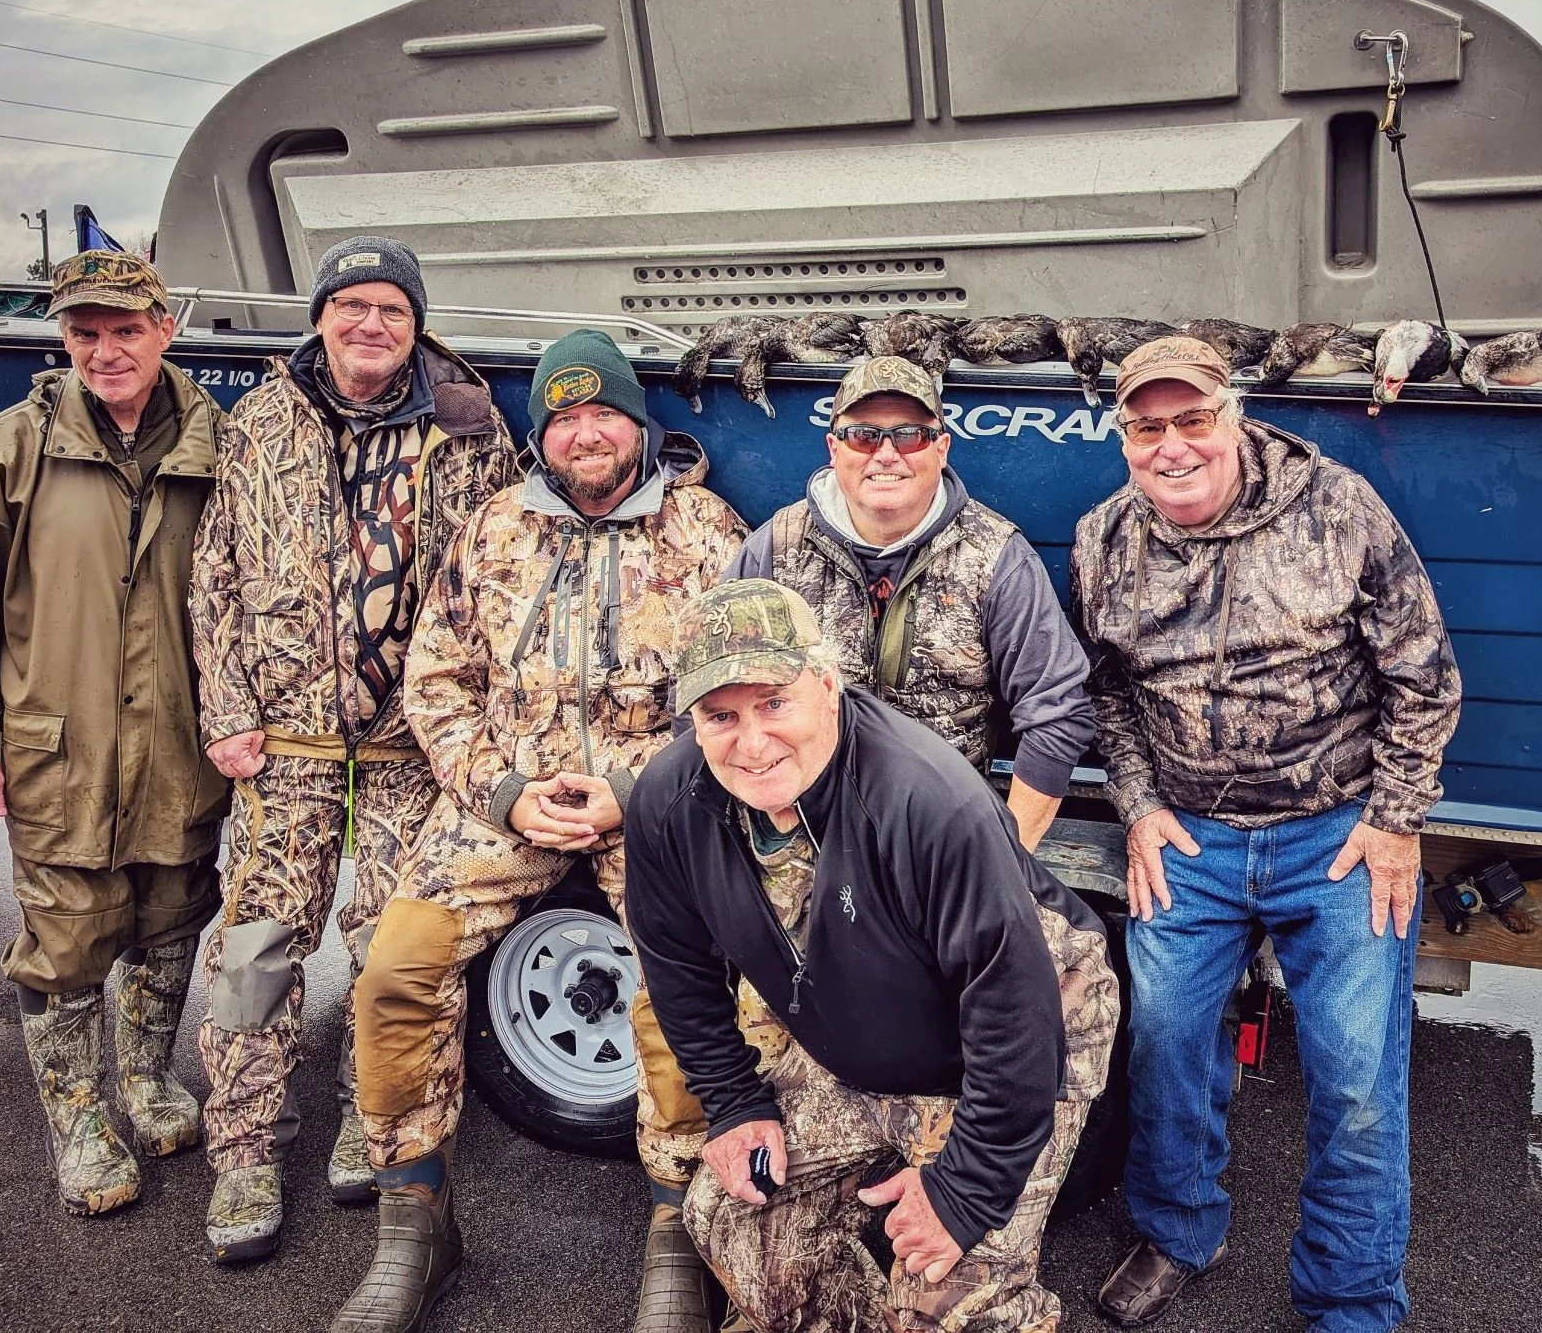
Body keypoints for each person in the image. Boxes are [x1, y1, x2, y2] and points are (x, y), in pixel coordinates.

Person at [331, 329, 747, 1333]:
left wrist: (633, 791)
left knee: (678, 993)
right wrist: (506, 790)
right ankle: (415, 1223)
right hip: (503, 805)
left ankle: (678, 1235)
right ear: (543, 437)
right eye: (563, 418)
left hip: (654, 810)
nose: (584, 432)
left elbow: (738, 700)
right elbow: (435, 683)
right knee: (395, 968)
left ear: (637, 425)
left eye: (603, 411)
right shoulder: (494, 530)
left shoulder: (708, 535)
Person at [1072, 336, 1462, 1331]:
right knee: (1161, 1047)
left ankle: (1350, 1296)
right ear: (1124, 437)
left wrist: (1397, 821)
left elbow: (1423, 675)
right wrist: (1139, 804)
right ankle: (1175, 1231)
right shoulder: (1103, 539)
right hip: (1191, 844)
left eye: (1192, 419)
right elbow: (1109, 694)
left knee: (1359, 1077)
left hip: (1334, 839)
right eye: (1147, 426)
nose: (1172, 445)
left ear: (1232, 414)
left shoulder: (1337, 509)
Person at [623, 578, 1120, 1333]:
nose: (751, 743)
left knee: (949, 1303)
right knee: (729, 1218)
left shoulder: (928, 802)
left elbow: (1014, 1014)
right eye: (720, 716)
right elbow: (677, 967)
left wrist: (963, 1191)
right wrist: (734, 1103)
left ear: (827, 685)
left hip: (1018, 1038)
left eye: (774, 704)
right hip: (861, 1037)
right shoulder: (668, 803)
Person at [190, 236, 518, 1263]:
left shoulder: (469, 430)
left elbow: (494, 588)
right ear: (321, 316)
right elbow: (216, 576)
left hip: (403, 749)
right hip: (282, 743)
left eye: (392, 309)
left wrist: (472, 733)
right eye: (352, 306)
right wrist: (227, 708)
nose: (370, 325)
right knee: (253, 952)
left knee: (391, 952)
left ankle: (365, 1119)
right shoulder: (260, 422)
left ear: (416, 326)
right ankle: (244, 1146)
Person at [0, 250, 227, 1216]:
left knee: (173, 914)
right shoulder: (8, 449)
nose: (104, 350)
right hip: (60, 751)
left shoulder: (221, 445)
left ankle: (148, 1078)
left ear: (164, 329)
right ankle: (81, 1124)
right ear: (64, 339)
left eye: (125, 329)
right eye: (84, 332)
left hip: (183, 744)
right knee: (67, 940)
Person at [727, 355, 1094, 851]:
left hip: (943, 832)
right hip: (801, 824)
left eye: (910, 436)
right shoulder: (775, 548)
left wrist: (1005, 859)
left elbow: (1057, 712)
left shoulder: (998, 556)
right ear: (834, 449)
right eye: (863, 435)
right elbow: (711, 693)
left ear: (941, 449)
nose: (886, 454)